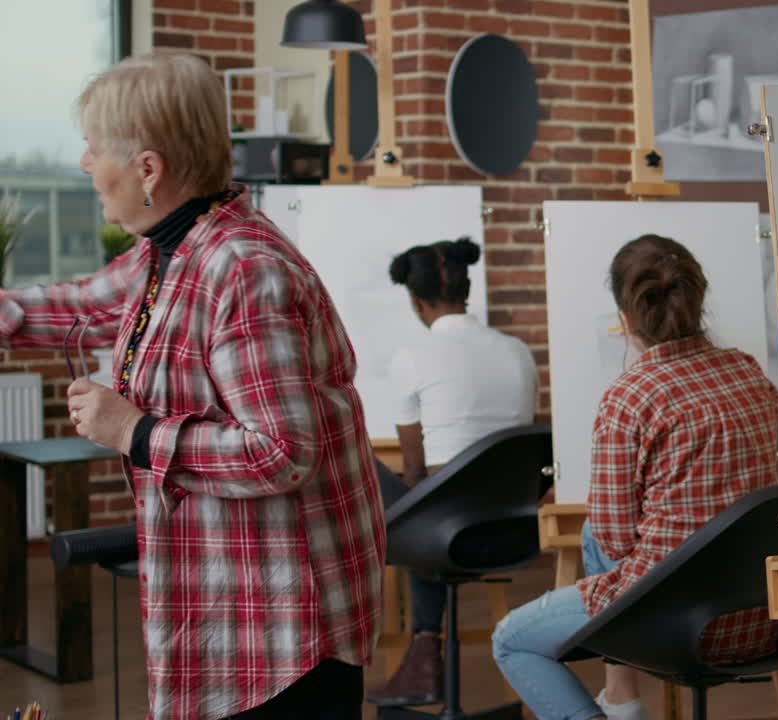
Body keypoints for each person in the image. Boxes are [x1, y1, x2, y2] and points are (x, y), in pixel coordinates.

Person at [0, 52, 385, 720]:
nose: (86, 165)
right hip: (233, 603)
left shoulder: (241, 269)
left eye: (94, 149)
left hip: (285, 624)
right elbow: (84, 303)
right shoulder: (170, 250)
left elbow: (281, 452)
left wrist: (134, 431)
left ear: (148, 169)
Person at [492, 234, 778, 720]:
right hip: (758, 618)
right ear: (698, 300)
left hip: (671, 622)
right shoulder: (748, 372)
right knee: (597, 535)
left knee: (511, 642)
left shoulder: (631, 396)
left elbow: (613, 532)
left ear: (625, 318)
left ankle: (622, 699)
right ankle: (621, 696)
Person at [366, 237, 538, 706]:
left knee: (364, 462)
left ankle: (422, 652)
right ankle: (423, 651)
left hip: (445, 535)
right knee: (435, 505)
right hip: (513, 532)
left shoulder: (412, 356)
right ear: (467, 290)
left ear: (416, 301)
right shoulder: (518, 352)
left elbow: (416, 469)